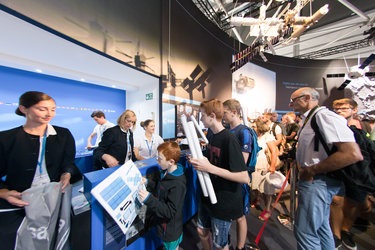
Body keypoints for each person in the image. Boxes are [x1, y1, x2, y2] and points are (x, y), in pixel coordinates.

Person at [289, 87, 363, 250]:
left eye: (293, 100)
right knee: (322, 228)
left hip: (318, 182)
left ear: (307, 98)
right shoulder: (312, 118)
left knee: (305, 232)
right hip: (317, 183)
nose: (290, 104)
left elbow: (352, 153)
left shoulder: (323, 116)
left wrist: (312, 170)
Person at [0, 91, 76, 250]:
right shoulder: (6, 138)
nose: (49, 114)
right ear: (23, 109)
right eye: (42, 109)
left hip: (54, 199)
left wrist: (66, 174)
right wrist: (4, 192)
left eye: (53, 109)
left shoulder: (63, 135)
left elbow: (68, 162)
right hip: (20, 202)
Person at [189, 99, 250, 250]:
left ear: (212, 115)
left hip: (223, 200)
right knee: (202, 231)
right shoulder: (212, 136)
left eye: (202, 115)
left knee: (220, 244)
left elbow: (244, 177)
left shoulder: (229, 139)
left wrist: (209, 168)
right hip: (208, 195)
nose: (201, 119)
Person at [330, 98, 372, 250]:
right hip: (339, 171)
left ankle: (345, 230)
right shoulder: (333, 127)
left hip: (360, 173)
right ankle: (336, 235)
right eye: (337, 109)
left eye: (344, 108)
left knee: (354, 203)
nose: (340, 111)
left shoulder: (364, 128)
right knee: (336, 201)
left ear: (354, 110)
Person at [138, 141, 186, 250]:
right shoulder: (167, 172)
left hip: (170, 230)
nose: (157, 161)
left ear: (171, 161)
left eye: (160, 159)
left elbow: (170, 211)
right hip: (166, 227)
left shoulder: (177, 184)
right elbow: (161, 186)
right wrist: (148, 182)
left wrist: (149, 199)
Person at [223, 99, 253, 250]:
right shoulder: (228, 130)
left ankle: (240, 247)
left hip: (238, 181)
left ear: (234, 112)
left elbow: (241, 162)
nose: (223, 116)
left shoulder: (244, 132)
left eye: (225, 113)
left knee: (240, 217)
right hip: (227, 179)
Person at [250, 118, 278, 220]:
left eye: (254, 126)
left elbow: (274, 152)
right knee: (257, 184)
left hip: (264, 165)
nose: (252, 127)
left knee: (266, 189)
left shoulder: (267, 137)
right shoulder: (254, 136)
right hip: (255, 164)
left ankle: (267, 209)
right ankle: (257, 199)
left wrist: (273, 166)